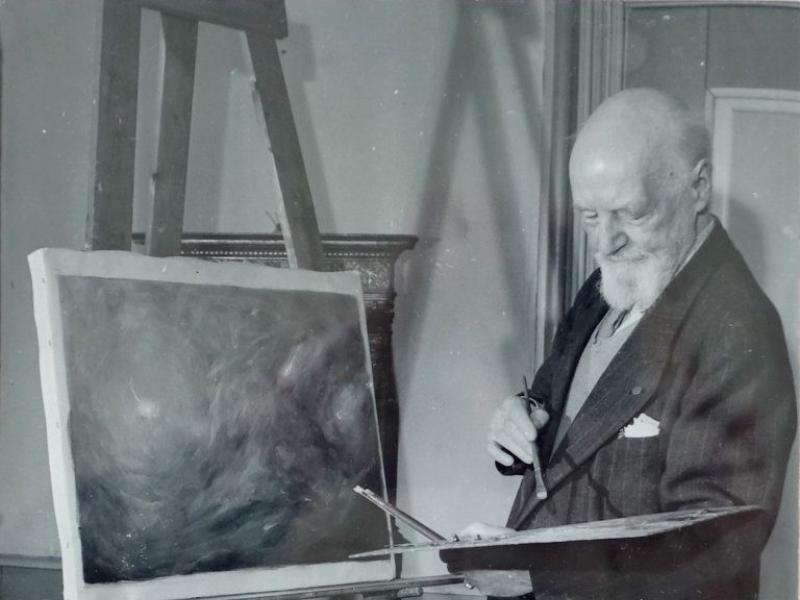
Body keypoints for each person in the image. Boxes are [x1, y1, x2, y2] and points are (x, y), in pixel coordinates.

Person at [451, 89, 797, 599]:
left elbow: (709, 549)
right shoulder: (612, 280)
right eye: (590, 216)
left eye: (630, 214)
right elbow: (560, 407)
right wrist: (518, 419)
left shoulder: (737, 329)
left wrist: (538, 576)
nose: (603, 244)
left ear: (698, 187)